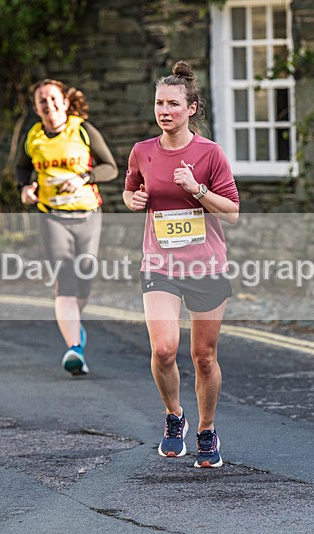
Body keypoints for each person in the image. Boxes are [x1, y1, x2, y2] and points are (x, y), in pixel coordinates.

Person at [123, 61, 239, 468]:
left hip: (206, 266)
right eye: (159, 103)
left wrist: (198, 189)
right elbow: (131, 190)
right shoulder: (143, 151)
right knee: (163, 348)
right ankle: (175, 417)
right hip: (159, 264)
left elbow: (232, 212)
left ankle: (207, 430)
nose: (164, 110)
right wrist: (132, 201)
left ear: (191, 108)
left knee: (203, 356)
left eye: (173, 103)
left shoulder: (210, 154)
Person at [16, 78, 118, 376]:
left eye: (52, 98)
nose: (48, 105)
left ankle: (75, 326)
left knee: (83, 279)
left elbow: (110, 167)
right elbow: (22, 168)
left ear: (64, 101)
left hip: (87, 214)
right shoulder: (33, 136)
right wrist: (25, 188)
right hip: (51, 215)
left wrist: (84, 177)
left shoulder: (82, 130)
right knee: (65, 279)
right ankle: (74, 348)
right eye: (41, 101)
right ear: (36, 108)